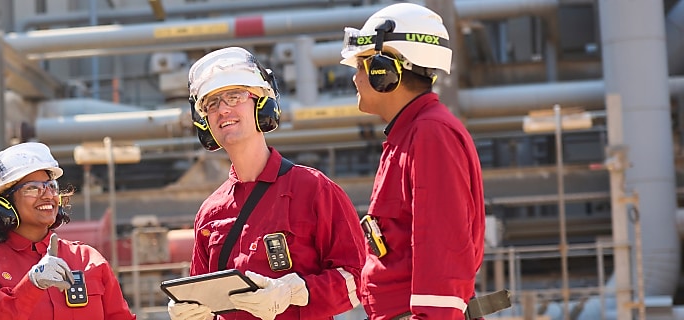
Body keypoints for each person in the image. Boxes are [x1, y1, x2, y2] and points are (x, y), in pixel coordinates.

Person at [167, 47, 367, 320]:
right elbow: (207, 298)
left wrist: (294, 291)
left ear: (261, 104)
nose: (223, 109)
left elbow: (357, 277)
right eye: (211, 104)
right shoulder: (209, 214)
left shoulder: (313, 189)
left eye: (234, 96)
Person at [339, 3, 485, 319]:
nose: (355, 79)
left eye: (363, 65)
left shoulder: (430, 134)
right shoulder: (411, 134)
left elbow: (443, 248)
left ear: (385, 72)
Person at [0, 142, 136, 320]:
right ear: (4, 204)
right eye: (32, 188)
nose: (48, 195)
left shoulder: (87, 259)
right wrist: (31, 285)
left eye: (51, 186)